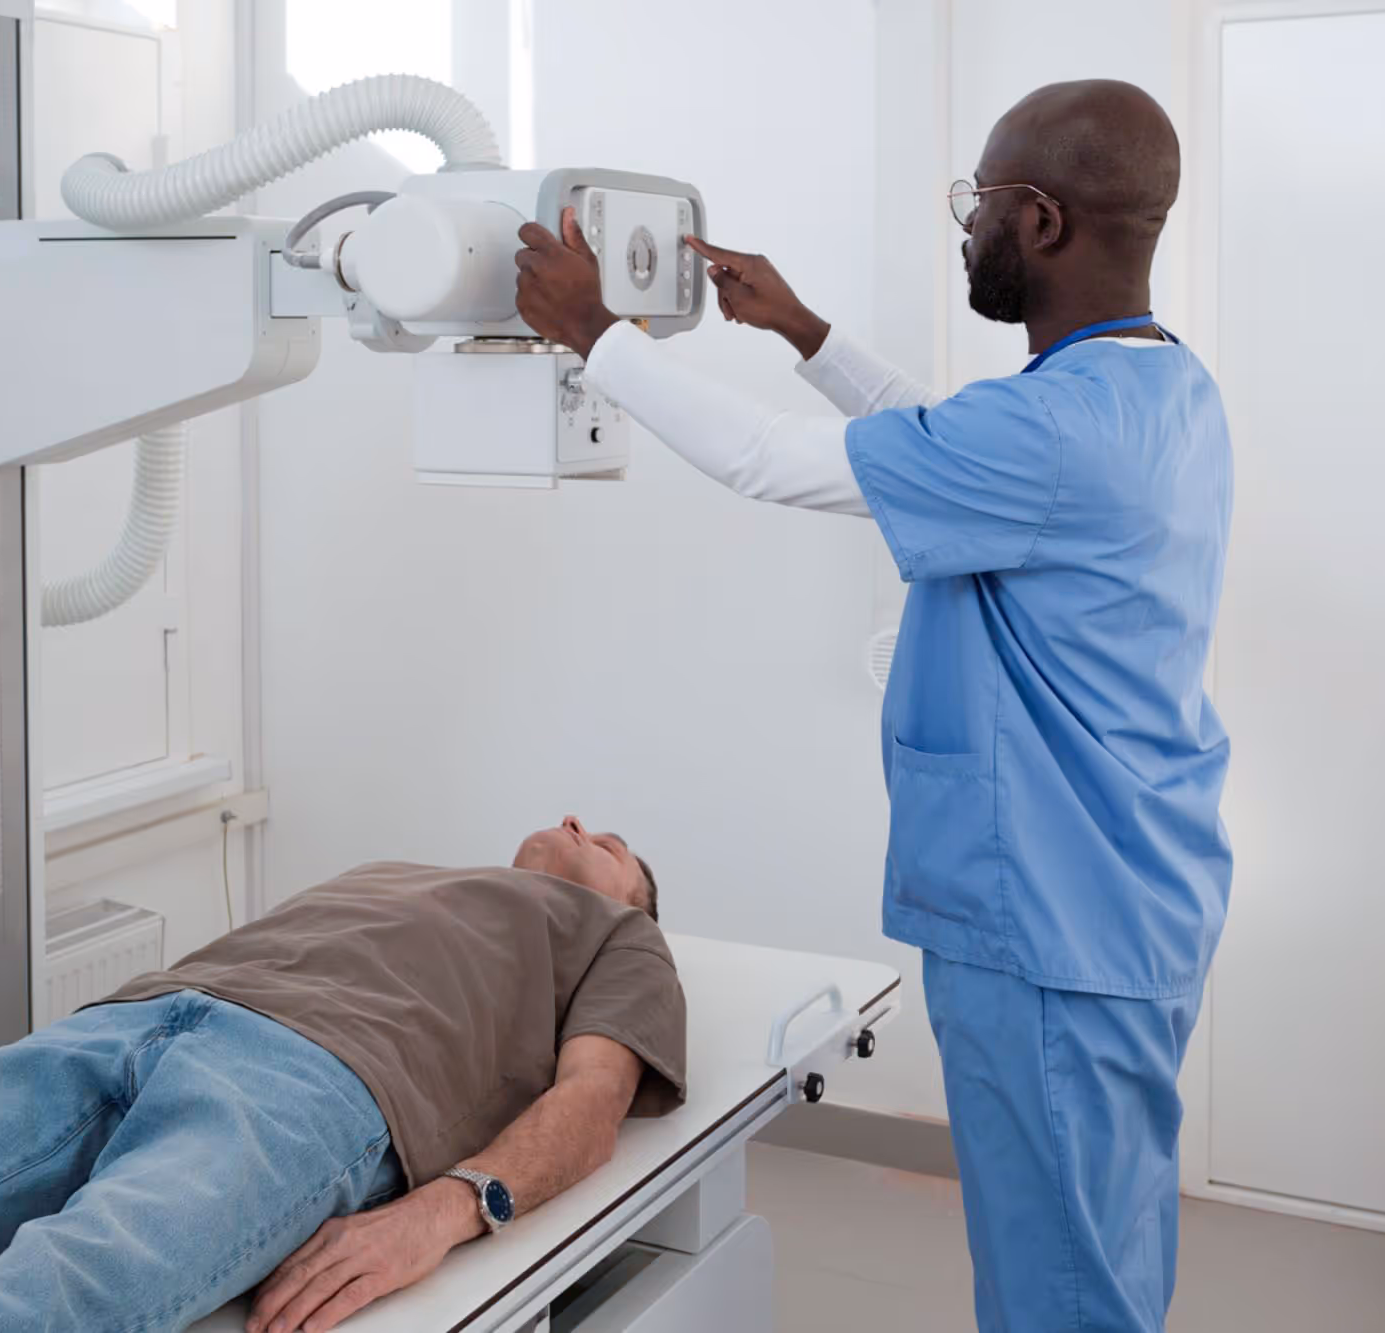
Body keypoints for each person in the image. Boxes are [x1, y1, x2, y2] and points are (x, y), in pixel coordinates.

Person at [515, 79, 1231, 1332]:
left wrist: (598, 337)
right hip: (1131, 892)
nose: (966, 225)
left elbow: (764, 461)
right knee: (1102, 1244)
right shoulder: (1157, 386)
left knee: (1061, 1290)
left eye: (977, 201)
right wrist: (806, 334)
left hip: (1052, 922)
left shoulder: (1051, 430)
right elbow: (950, 442)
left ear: (1040, 221)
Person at [0, 818, 685, 1333]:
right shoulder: (398, 865)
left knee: (63, 1285)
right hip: (131, 1018)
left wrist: (440, 1213)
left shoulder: (615, 939)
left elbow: (589, 1105)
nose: (575, 822)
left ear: (630, 897)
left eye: (611, 840)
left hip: (315, 1083)